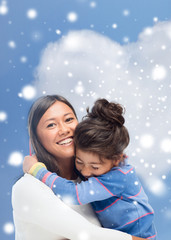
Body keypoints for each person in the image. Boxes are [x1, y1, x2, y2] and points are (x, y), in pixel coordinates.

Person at [12, 95, 146, 240]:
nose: (64, 130)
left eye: (69, 119)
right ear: (35, 139)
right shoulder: (27, 188)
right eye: (51, 125)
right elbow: (88, 235)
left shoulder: (92, 183)